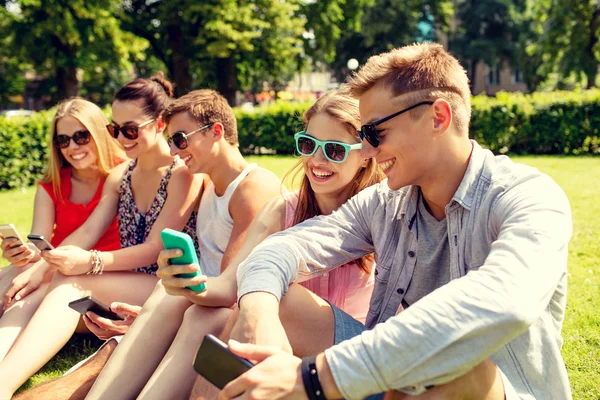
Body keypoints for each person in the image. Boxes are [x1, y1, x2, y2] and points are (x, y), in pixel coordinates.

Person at [218, 43, 573, 400]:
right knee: (265, 304)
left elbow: (503, 301)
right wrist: (258, 313)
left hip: (488, 388)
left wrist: (315, 376)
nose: (368, 151)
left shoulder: (528, 197)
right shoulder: (384, 202)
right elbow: (282, 248)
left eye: (374, 133)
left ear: (438, 117)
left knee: (455, 370)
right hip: (390, 380)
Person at [86, 89, 384, 400]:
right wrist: (189, 282)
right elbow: (229, 286)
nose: (316, 160)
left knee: (269, 299)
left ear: (364, 155)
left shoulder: (381, 211)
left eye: (334, 150)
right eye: (308, 145)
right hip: (275, 339)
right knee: (185, 303)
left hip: (351, 350)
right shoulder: (281, 209)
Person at [0, 73, 202, 398]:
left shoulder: (182, 173)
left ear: (160, 122)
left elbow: (154, 249)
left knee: (70, 283)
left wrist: (89, 263)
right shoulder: (123, 173)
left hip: (169, 286)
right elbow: (88, 230)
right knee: (39, 284)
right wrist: (39, 268)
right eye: (115, 129)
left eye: (130, 129)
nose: (121, 137)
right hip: (130, 280)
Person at [0, 97, 125, 362]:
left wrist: (38, 268)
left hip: (97, 277)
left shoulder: (121, 174)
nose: (73, 147)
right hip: (54, 267)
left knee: (29, 288)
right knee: (15, 272)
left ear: (99, 133)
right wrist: (23, 253)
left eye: (81, 136)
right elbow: (39, 243)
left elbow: (87, 235)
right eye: (63, 140)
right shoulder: (52, 184)